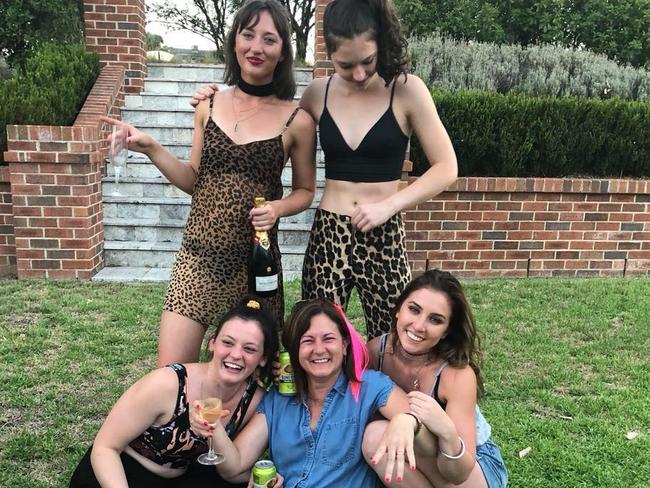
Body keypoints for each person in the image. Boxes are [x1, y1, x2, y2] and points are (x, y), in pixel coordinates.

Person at [192, 0, 457, 340]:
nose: (359, 74)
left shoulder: (406, 89)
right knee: (317, 335)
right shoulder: (319, 92)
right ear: (329, 53)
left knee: (392, 337)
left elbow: (447, 167)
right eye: (346, 65)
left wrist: (388, 206)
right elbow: (269, 114)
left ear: (381, 45)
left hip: (385, 234)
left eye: (368, 61)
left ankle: (385, 394)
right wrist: (215, 96)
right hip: (328, 234)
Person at [103, 0, 316, 367]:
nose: (256, 48)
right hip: (197, 258)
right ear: (234, 41)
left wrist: (278, 208)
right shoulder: (208, 105)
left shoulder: (297, 120)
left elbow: (306, 191)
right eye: (248, 35)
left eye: (269, 39)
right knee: (173, 373)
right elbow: (194, 180)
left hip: (254, 266)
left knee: (250, 377)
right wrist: (150, 146)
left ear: (283, 52)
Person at [191, 298, 422, 487]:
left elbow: (423, 429)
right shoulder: (278, 399)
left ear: (344, 344)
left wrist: (408, 420)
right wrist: (215, 428)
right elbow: (234, 466)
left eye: (328, 339)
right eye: (307, 341)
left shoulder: (369, 387)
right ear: (295, 351)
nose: (319, 349)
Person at [69, 298, 280, 488]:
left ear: (263, 358)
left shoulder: (253, 399)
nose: (236, 355)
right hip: (120, 473)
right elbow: (105, 448)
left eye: (250, 349)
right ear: (212, 343)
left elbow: (231, 470)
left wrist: (214, 429)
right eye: (228, 343)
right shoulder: (167, 384)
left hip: (183, 478)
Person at [362, 269, 508, 488]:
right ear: (398, 310)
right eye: (414, 309)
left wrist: (447, 433)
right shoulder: (376, 352)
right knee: (375, 436)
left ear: (447, 331)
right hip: (420, 459)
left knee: (376, 434)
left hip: (472, 465)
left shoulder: (457, 375)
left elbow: (458, 473)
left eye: (435, 320)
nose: (419, 326)